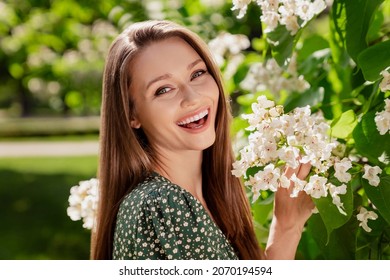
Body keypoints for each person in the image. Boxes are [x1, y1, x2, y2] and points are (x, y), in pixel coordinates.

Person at [90, 20, 314, 260]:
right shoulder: (163, 205)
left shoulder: (205, 200)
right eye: (163, 89)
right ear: (131, 114)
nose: (193, 97)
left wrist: (287, 226)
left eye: (197, 73)